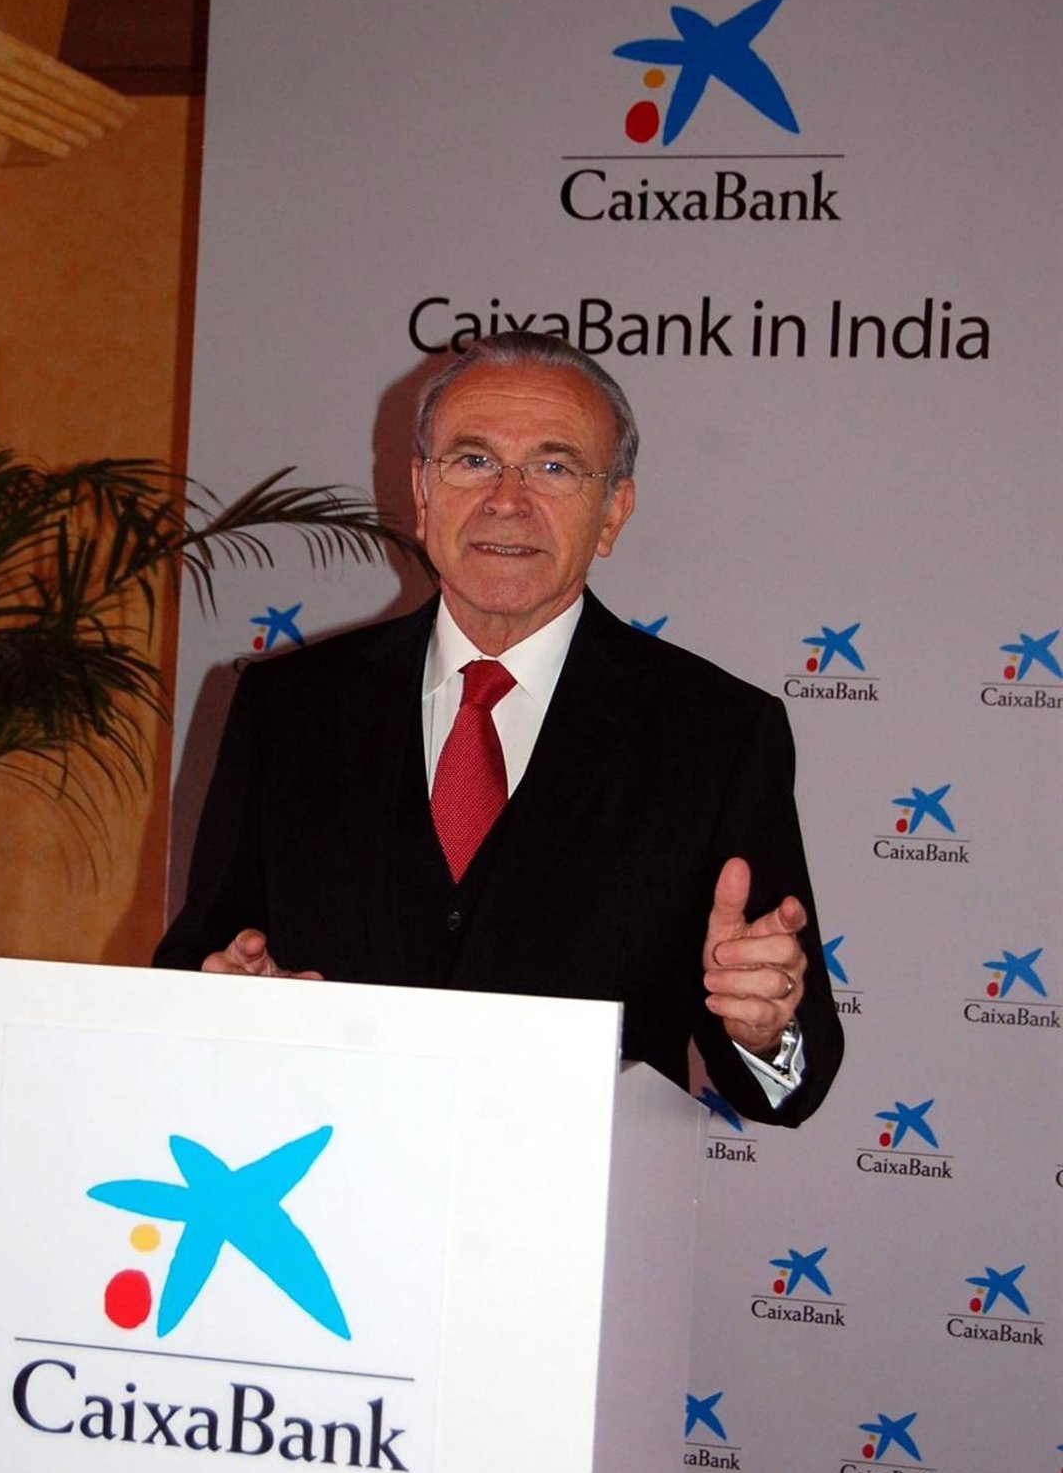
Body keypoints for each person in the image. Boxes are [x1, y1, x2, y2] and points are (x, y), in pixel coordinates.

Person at [155, 333, 843, 1125]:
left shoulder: (717, 734)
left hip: (570, 1190)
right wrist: (226, 992)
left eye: (554, 467)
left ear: (614, 510)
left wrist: (766, 1025)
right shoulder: (287, 707)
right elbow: (195, 961)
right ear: (422, 492)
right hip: (316, 1177)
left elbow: (795, 1074)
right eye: (474, 460)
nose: (506, 500)